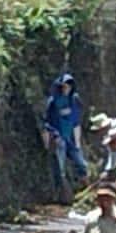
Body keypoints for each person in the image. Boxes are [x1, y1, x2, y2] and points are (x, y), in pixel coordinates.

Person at [41, 73, 87, 202]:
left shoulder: (74, 100)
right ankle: (61, 195)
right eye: (64, 86)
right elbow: (46, 121)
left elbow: (76, 121)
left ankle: (86, 190)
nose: (66, 89)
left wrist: (77, 141)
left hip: (71, 137)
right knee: (60, 169)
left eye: (69, 86)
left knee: (81, 164)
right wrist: (51, 137)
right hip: (58, 137)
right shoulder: (53, 101)